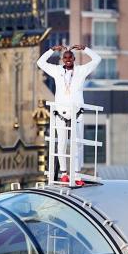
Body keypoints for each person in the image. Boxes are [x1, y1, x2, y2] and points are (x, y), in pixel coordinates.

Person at [37, 44, 101, 186]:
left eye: (70, 57)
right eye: (65, 57)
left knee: (77, 144)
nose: (67, 60)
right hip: (60, 113)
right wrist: (52, 50)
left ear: (74, 58)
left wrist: (85, 49)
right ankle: (64, 173)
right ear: (62, 59)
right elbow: (40, 63)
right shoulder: (56, 71)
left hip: (77, 113)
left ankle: (76, 174)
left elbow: (97, 59)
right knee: (61, 143)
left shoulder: (81, 71)